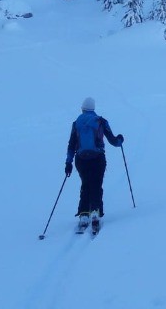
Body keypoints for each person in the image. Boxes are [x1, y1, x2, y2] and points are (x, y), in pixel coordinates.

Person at [65, 97, 123, 232]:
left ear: (83, 109)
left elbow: (71, 145)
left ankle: (84, 214)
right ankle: (95, 212)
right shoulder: (101, 121)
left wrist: (68, 163)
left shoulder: (76, 123)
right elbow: (113, 141)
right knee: (96, 184)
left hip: (81, 160)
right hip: (98, 158)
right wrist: (120, 140)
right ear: (93, 108)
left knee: (85, 184)